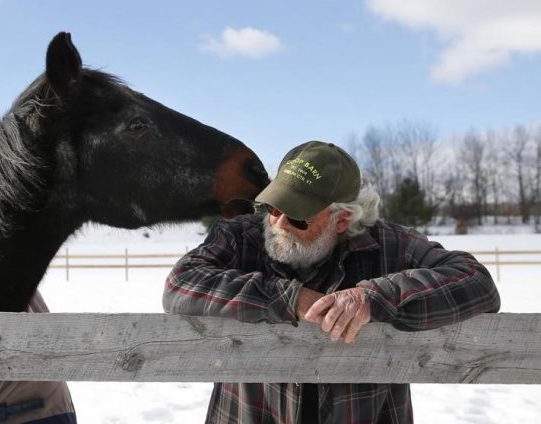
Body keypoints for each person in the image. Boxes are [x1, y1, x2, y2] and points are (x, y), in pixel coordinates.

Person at [162, 140, 500, 424]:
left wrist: (375, 297)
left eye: (296, 214)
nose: (278, 223)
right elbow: (182, 283)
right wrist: (288, 298)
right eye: (272, 207)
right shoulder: (241, 237)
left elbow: (476, 282)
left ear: (343, 219)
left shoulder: (390, 245)